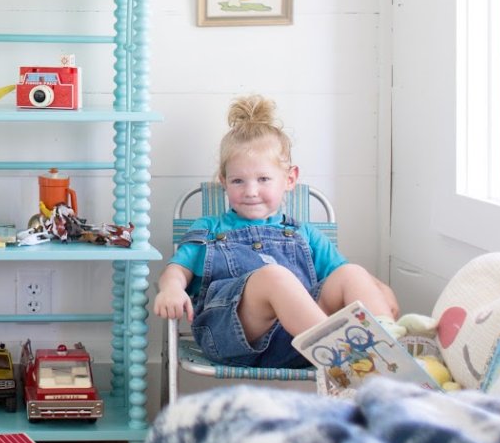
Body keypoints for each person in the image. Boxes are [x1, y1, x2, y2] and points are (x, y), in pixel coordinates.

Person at [153, 95, 399, 370]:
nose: (251, 191)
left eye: (263, 179)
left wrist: (377, 291)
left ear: (289, 179)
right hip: (232, 338)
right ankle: (346, 362)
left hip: (299, 341)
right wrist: (172, 288)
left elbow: (342, 277)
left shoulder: (303, 234)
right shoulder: (209, 228)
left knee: (352, 273)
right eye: (237, 180)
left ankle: (387, 353)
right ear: (223, 181)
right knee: (274, 277)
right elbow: (177, 269)